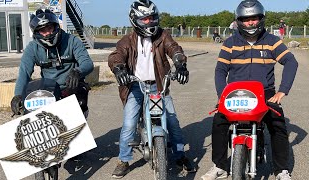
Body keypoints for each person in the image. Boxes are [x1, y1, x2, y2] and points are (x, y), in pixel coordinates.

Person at [201, 0, 298, 180]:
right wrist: (222, 94)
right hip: (235, 92)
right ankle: (219, 166)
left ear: (261, 19)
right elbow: (220, 70)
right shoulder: (230, 43)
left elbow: (291, 62)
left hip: (265, 92)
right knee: (219, 121)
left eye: (254, 18)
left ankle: (281, 170)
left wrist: (282, 91)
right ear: (239, 21)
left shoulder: (272, 41)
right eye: (246, 19)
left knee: (278, 124)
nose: (250, 23)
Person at [108, 0, 195, 178]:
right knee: (129, 124)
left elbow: (174, 49)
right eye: (145, 19)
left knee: (173, 122)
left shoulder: (163, 35)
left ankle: (180, 156)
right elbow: (116, 56)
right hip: (136, 85)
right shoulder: (127, 40)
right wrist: (119, 68)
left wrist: (180, 64)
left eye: (152, 18)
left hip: (159, 85)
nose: (149, 22)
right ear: (135, 20)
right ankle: (123, 160)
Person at [10, 9, 94, 119]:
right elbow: (24, 72)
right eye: (43, 31)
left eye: (49, 28)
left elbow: (87, 63)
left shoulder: (72, 41)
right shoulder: (32, 48)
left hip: (72, 86)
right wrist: (18, 95)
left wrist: (78, 71)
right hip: (49, 90)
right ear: (36, 33)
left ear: (56, 26)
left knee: (77, 118)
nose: (48, 33)